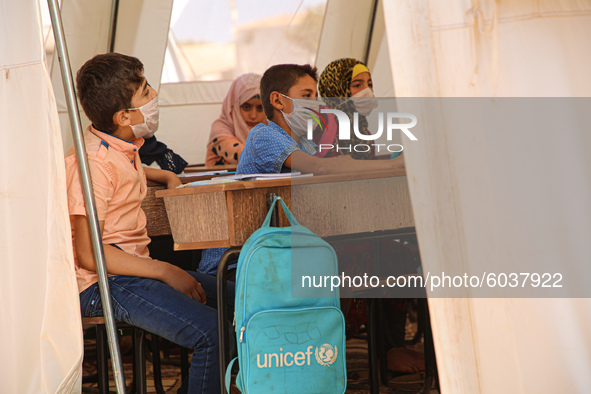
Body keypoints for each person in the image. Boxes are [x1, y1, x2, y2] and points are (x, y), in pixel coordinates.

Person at [65, 52, 231, 394]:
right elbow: (87, 253)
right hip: (102, 282)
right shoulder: (92, 164)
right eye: (145, 92)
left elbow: (125, 171)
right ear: (124, 115)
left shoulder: (121, 146)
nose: (154, 95)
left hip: (133, 272)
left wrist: (165, 174)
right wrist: (165, 270)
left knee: (241, 301)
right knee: (212, 336)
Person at [197, 63, 405, 280]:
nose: (314, 104)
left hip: (271, 256)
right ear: (278, 101)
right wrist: (394, 165)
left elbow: (336, 166)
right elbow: (322, 167)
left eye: (315, 96)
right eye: (306, 95)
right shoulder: (263, 135)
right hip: (235, 267)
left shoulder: (305, 144)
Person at [320, 58, 423, 374]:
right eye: (356, 85)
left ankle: (392, 346)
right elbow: (327, 171)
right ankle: (386, 350)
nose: (367, 91)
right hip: (334, 232)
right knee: (393, 257)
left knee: (407, 252)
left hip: (359, 224)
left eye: (369, 84)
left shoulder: (359, 126)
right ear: (336, 89)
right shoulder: (328, 124)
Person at [205, 73, 267, 166]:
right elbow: (246, 156)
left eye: (260, 108)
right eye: (246, 107)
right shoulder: (220, 131)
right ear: (233, 106)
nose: (253, 116)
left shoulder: (269, 128)